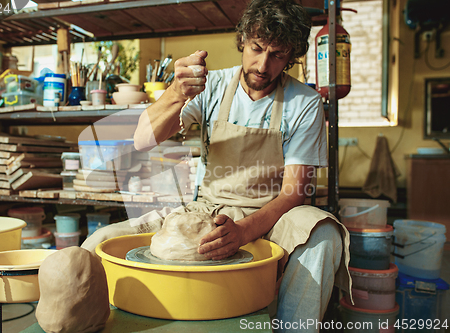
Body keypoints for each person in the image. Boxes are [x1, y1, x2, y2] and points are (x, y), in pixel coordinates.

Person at [82, 0, 351, 330]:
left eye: (277, 54)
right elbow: (141, 140)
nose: (263, 64)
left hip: (271, 215)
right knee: (99, 241)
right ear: (242, 41)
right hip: (207, 209)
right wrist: (176, 94)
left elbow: (293, 194)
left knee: (324, 233)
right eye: (256, 48)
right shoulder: (212, 86)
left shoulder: (304, 103)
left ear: (291, 56)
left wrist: (242, 233)